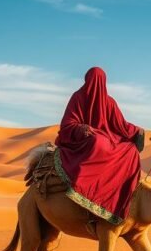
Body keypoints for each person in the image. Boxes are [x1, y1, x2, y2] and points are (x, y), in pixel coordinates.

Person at [55, 67, 145, 236]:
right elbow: (67, 124)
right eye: (93, 79)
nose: (96, 83)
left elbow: (121, 125)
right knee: (98, 142)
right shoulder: (78, 97)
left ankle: (118, 196)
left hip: (108, 138)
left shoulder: (109, 102)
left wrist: (137, 131)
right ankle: (84, 189)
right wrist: (81, 128)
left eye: (99, 80)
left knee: (130, 149)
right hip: (84, 141)